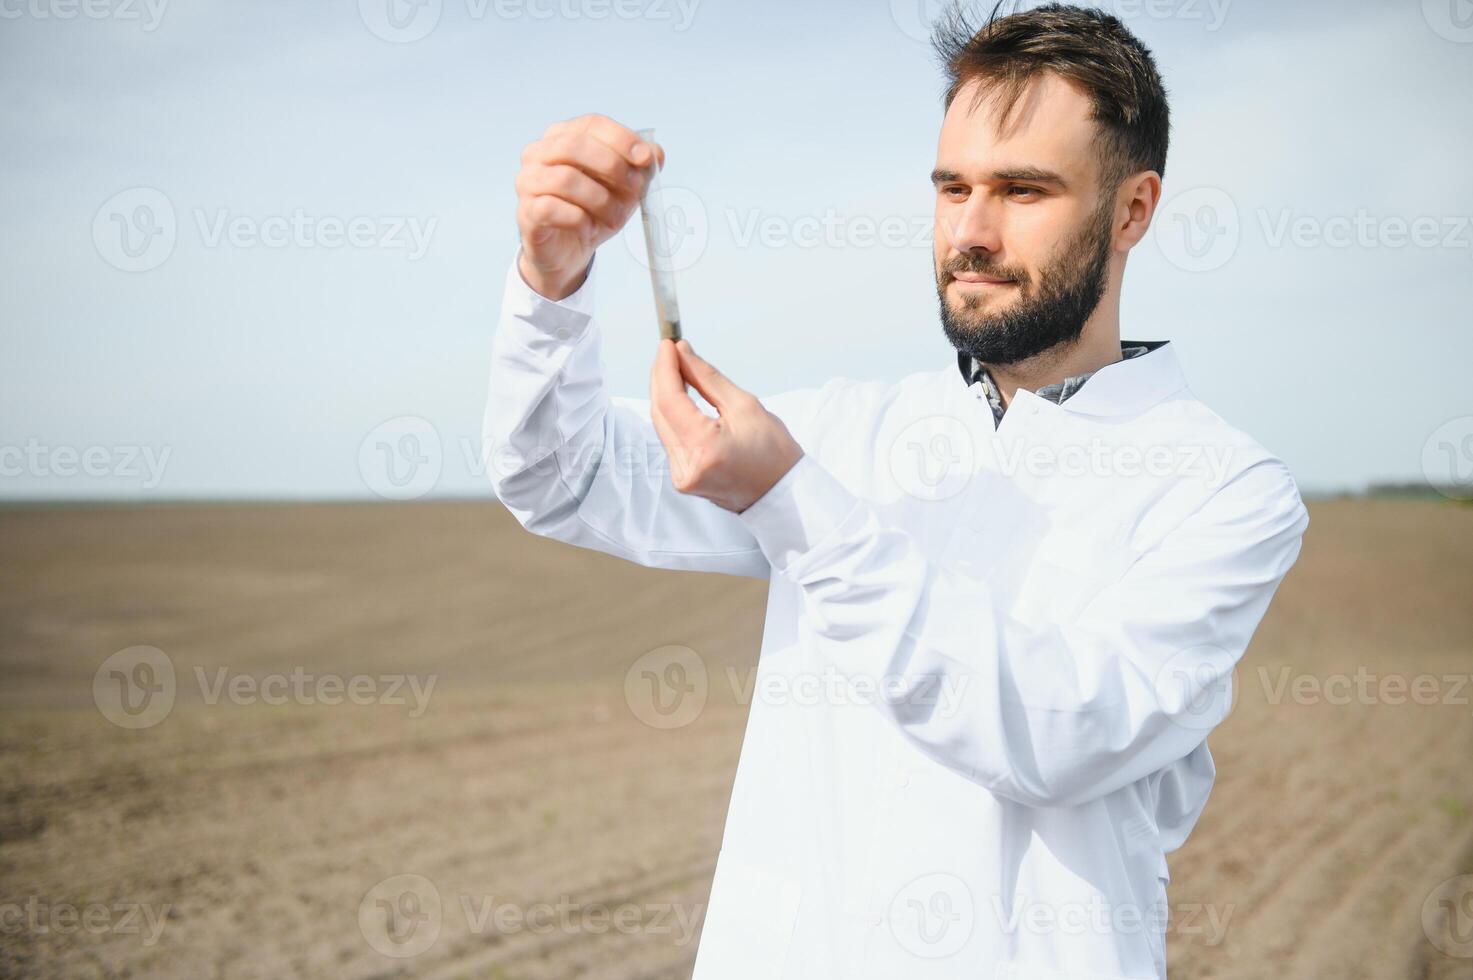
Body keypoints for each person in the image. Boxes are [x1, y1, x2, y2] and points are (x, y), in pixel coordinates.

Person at [485, 5, 1307, 977]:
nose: (971, 229)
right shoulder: (844, 431)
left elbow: (1058, 731)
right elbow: (560, 474)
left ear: (1133, 209)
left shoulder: (1224, 489)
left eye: (1022, 189)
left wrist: (793, 501)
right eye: (951, 185)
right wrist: (552, 281)